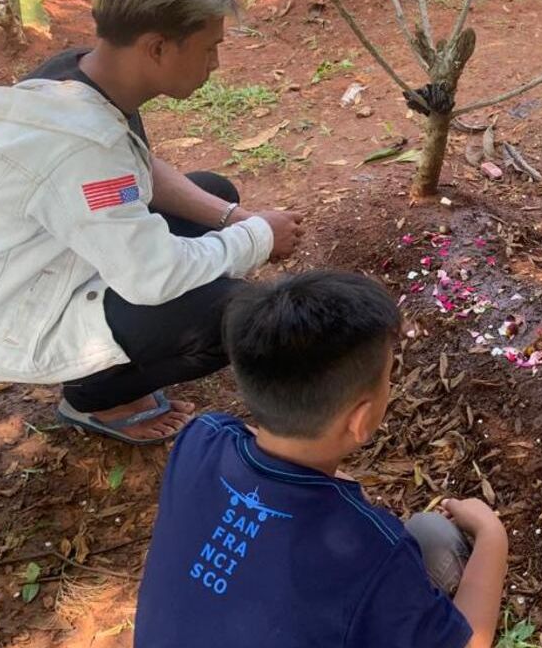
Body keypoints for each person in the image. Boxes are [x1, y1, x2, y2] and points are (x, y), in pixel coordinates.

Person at [0, 0, 303, 444]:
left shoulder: (78, 77)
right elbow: (152, 276)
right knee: (237, 315)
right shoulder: (81, 145)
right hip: (25, 316)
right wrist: (256, 240)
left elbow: (137, 164)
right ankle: (97, 398)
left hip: (49, 261)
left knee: (211, 195)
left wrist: (232, 217)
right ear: (158, 48)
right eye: (209, 49)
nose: (216, 64)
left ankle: (110, 372)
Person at [134, 270, 509, 648]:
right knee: (434, 536)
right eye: (387, 378)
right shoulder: (374, 550)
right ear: (360, 421)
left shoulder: (201, 438)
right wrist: (492, 535)